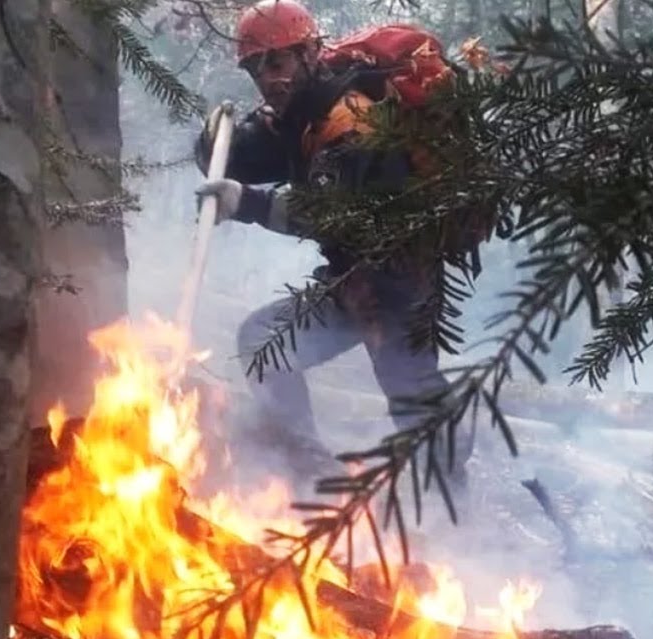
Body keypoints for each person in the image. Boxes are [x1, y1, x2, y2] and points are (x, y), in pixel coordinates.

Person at [194, 0, 476, 510]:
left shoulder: (352, 121)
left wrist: (248, 203)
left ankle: (457, 516)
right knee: (263, 344)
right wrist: (213, 146)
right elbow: (257, 154)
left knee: (414, 403)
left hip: (400, 284)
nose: (266, 79)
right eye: (255, 68)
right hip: (354, 279)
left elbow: (333, 213)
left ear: (309, 52)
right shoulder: (302, 112)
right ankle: (309, 474)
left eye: (276, 62)